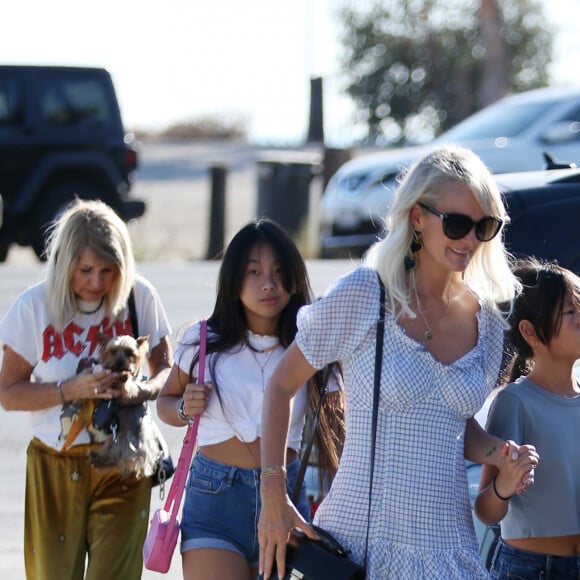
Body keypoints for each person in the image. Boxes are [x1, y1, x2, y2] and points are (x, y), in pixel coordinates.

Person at [257, 145, 539, 579]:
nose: (469, 240)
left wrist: (499, 455)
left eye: (483, 226)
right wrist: (273, 493)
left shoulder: (485, 321)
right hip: (360, 545)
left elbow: (448, 421)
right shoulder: (367, 294)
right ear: (416, 217)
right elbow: (280, 384)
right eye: (458, 223)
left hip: (447, 550)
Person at [156, 218, 344, 580]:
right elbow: (164, 404)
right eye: (254, 271)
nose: (268, 283)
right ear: (233, 280)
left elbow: (339, 434)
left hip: (286, 501)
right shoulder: (201, 342)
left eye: (278, 271)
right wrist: (183, 407)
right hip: (214, 500)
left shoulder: (312, 346)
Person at [0, 199, 172, 580]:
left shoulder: (139, 295)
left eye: (108, 270)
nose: (97, 282)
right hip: (56, 463)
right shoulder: (33, 307)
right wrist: (69, 389)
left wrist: (140, 392)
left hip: (126, 461)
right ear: (64, 264)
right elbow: (8, 393)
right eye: (86, 270)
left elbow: (167, 372)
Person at [475, 258, 580, 579]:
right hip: (532, 570)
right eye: (572, 312)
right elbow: (485, 510)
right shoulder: (515, 402)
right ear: (530, 331)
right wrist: (504, 486)